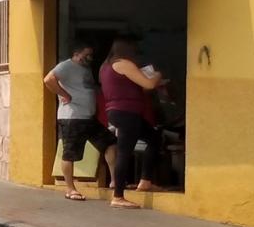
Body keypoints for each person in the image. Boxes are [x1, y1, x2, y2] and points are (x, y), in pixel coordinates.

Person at [44, 40, 115, 201]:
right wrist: (64, 94)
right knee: (69, 153)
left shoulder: (86, 69)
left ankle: (115, 181)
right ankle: (70, 189)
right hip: (72, 117)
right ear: (76, 54)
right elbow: (48, 79)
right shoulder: (66, 66)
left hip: (88, 118)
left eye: (91, 55)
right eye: (86, 55)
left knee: (110, 142)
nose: (89, 58)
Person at [99, 37, 164, 209]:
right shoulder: (123, 64)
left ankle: (145, 181)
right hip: (127, 112)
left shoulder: (105, 67)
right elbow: (149, 84)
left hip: (119, 112)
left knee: (154, 138)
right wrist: (157, 75)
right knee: (124, 152)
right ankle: (118, 196)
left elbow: (132, 87)